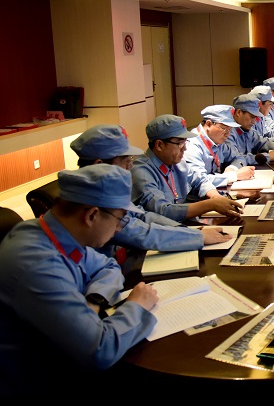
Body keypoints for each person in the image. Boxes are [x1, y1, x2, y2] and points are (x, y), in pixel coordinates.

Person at [0, 165, 159, 397]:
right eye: (120, 218)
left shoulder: (53, 233)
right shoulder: (38, 264)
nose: (118, 228)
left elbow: (107, 265)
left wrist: (93, 300)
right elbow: (100, 350)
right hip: (39, 382)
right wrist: (138, 305)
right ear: (92, 215)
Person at [72, 124, 227, 258]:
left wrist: (186, 231)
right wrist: (197, 236)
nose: (130, 167)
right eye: (125, 161)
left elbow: (142, 215)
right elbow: (138, 232)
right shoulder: (92, 199)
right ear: (99, 165)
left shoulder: (108, 189)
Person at [131, 114, 243, 221]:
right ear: (159, 145)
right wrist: (210, 205)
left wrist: (216, 197)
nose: (184, 149)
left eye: (185, 142)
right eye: (180, 144)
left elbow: (199, 180)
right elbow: (163, 210)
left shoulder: (177, 163)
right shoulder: (142, 172)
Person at [185, 105, 254, 187]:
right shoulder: (192, 146)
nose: (228, 134)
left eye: (230, 129)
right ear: (209, 124)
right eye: (224, 129)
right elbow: (199, 181)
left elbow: (239, 157)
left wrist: (232, 168)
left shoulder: (217, 142)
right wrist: (234, 176)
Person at [225, 93, 274, 166]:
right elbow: (235, 158)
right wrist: (267, 156)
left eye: (255, 117)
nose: (254, 121)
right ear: (239, 113)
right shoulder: (227, 132)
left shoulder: (248, 130)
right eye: (252, 116)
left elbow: (263, 143)